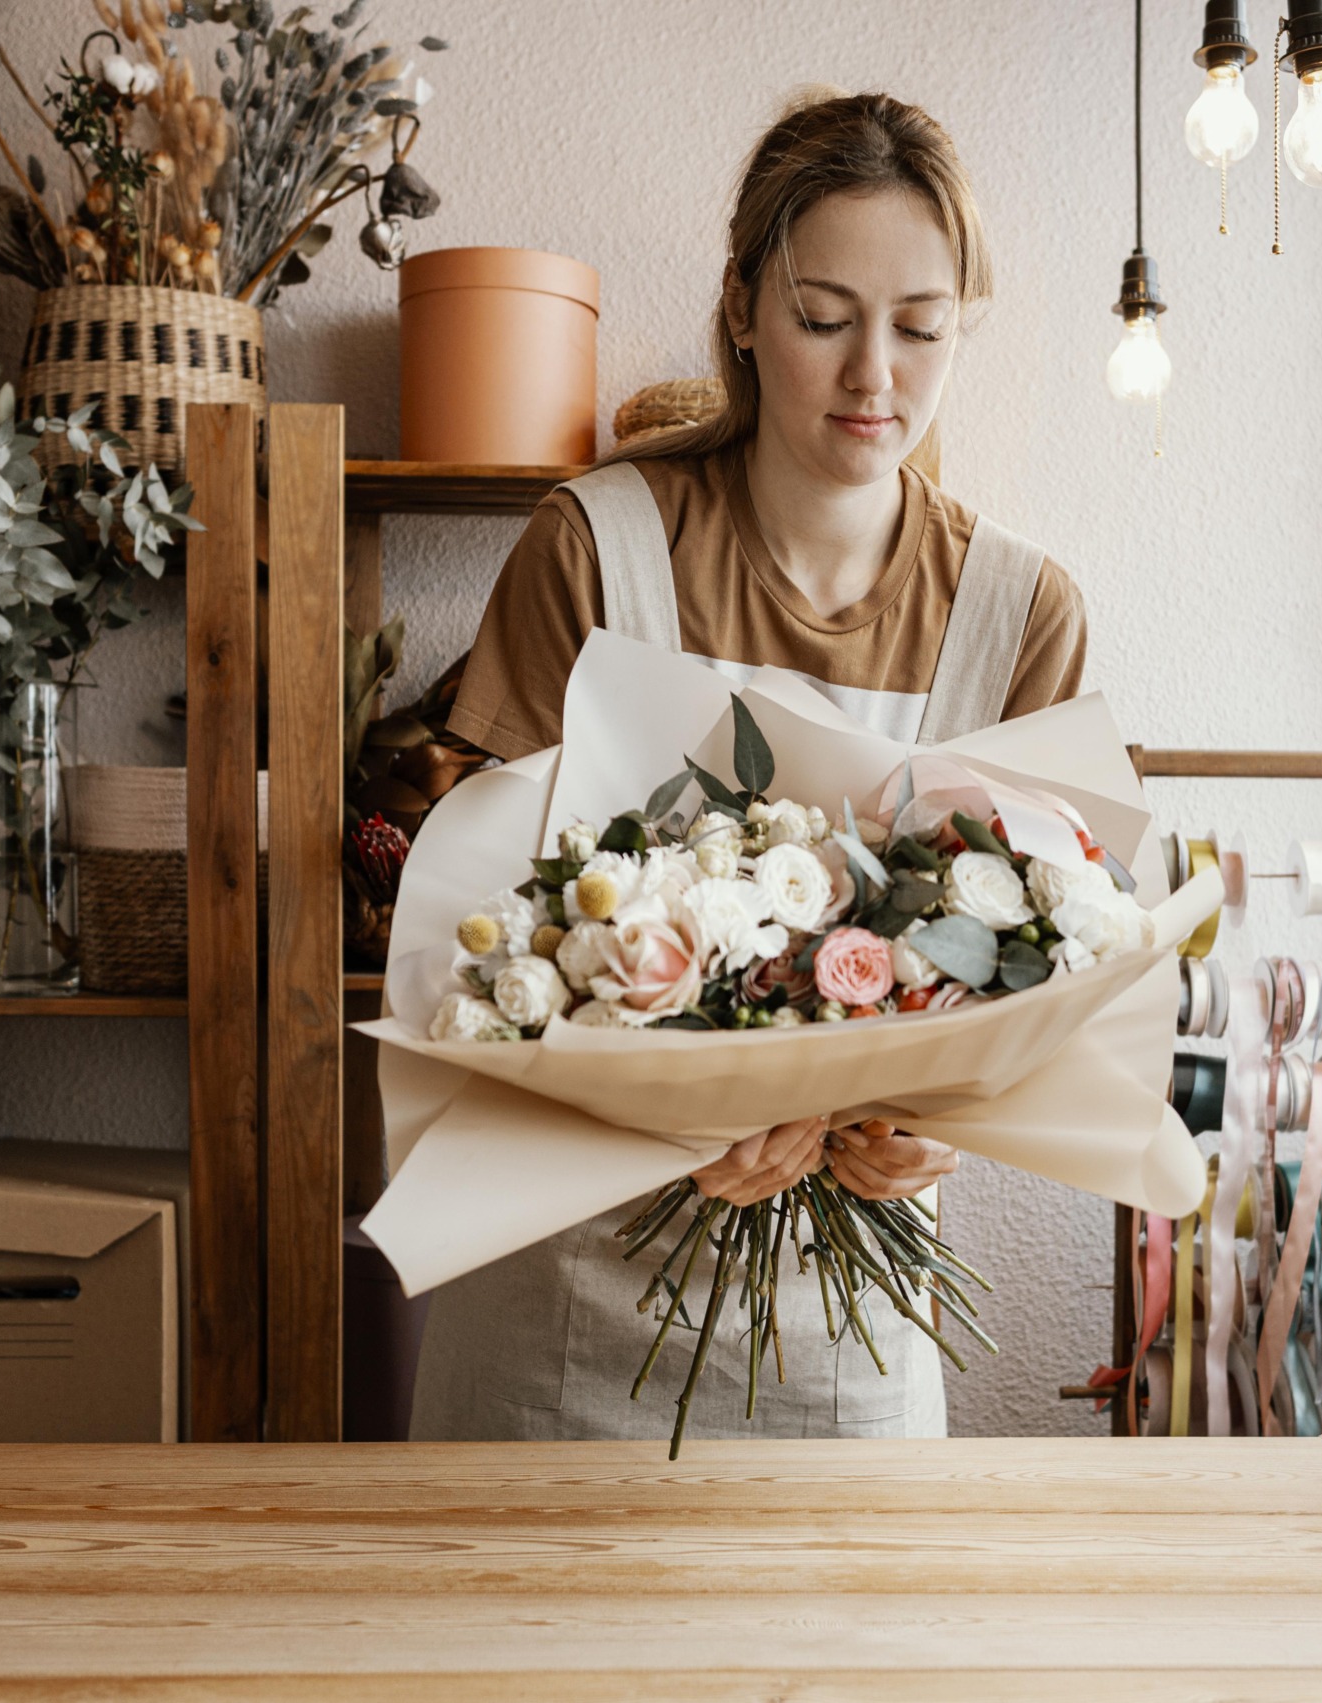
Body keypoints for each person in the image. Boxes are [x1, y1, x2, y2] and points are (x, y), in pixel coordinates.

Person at [411, 89, 1090, 1442]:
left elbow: (1046, 987)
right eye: (825, 318)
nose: (873, 378)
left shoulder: (1022, 613)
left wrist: (946, 1121)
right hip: (561, 1336)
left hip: (847, 1362)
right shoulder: (592, 550)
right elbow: (465, 961)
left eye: (921, 327)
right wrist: (662, 1101)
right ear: (741, 306)